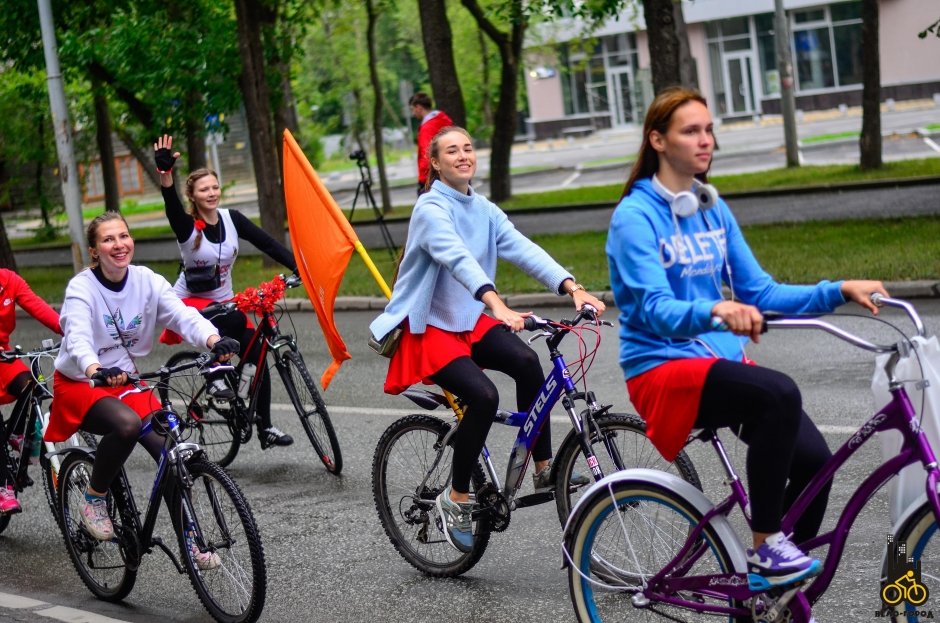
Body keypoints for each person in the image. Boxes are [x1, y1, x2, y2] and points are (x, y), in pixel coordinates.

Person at [606, 86, 889, 590]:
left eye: (709, 129)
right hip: (660, 367)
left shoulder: (711, 207)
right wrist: (717, 308)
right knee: (778, 393)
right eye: (691, 131)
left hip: (714, 362)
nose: (705, 140)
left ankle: (777, 594)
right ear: (658, 140)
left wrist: (839, 289)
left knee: (815, 465)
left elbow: (761, 290)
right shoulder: (635, 217)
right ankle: (765, 547)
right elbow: (654, 309)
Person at [369, 126, 606, 553]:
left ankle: (544, 466)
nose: (463, 156)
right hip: (431, 327)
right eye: (451, 151)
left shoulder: (483, 208)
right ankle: (457, 496)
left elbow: (522, 247)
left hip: (469, 317)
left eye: (468, 148)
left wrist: (572, 286)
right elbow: (455, 256)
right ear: (435, 164)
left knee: (529, 364)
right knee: (483, 397)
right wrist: (495, 303)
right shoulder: (430, 208)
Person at [46, 212, 239, 567]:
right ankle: (94, 496)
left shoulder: (146, 280)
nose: (119, 245)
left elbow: (181, 315)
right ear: (94, 250)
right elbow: (76, 337)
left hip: (127, 381)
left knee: (171, 453)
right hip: (81, 381)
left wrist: (214, 339)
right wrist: (95, 369)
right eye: (108, 239)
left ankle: (191, 541)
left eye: (124, 236)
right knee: (127, 425)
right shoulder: (82, 288)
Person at [153, 135, 297, 449]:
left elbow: (267, 243)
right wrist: (166, 177)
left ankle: (265, 427)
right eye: (204, 189)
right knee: (219, 329)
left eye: (215, 187)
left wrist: (298, 266)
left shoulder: (232, 219)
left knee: (257, 353)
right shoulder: (187, 227)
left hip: (225, 301)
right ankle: (214, 373)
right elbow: (171, 207)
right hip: (190, 303)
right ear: (193, 194)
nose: (212, 193)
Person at [0, 269, 62, 514]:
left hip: (3, 356)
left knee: (32, 385)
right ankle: (3, 487)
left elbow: (38, 306)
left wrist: (69, 330)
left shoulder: (8, 280)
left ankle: (16, 433)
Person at [409, 92, 453, 195]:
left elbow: (426, 155)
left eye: (413, 109)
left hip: (432, 180)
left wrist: (424, 180)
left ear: (419, 107)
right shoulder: (444, 121)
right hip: (449, 175)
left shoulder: (427, 128)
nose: (413, 113)